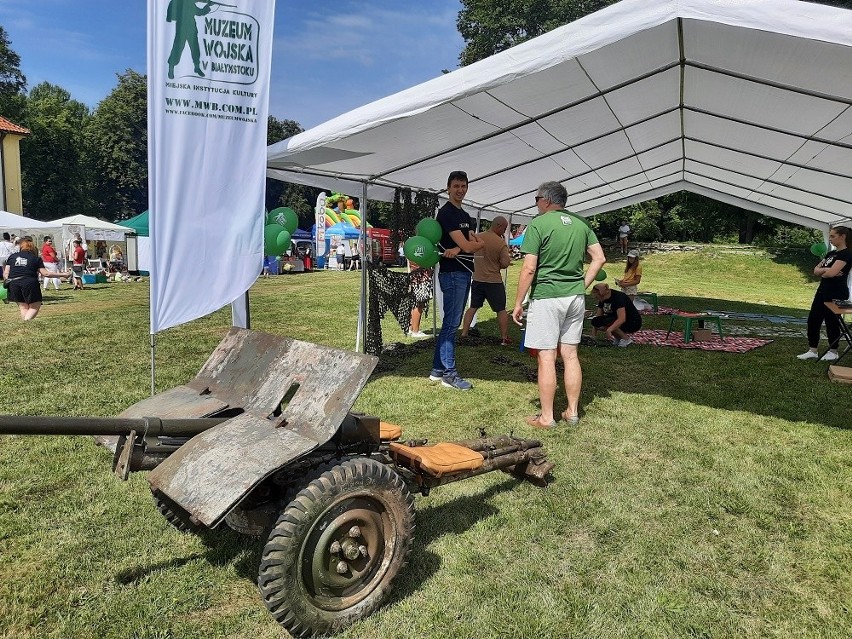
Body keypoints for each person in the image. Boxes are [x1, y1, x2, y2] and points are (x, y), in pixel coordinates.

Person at [512, 181, 605, 428]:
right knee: (571, 355)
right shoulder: (581, 223)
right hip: (575, 297)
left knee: (546, 357)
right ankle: (572, 412)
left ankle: (546, 417)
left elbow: (529, 267)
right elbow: (600, 258)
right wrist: (581, 284)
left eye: (536, 199)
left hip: (548, 296)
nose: (536, 204)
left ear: (546, 200)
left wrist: (518, 302)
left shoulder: (538, 224)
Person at [429, 170, 484, 390]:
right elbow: (473, 244)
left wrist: (462, 246)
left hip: (463, 271)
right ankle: (449, 375)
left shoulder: (465, 216)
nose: (460, 190)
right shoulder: (447, 213)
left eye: (463, 186)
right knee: (452, 325)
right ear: (448, 188)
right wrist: (468, 246)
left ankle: (437, 370)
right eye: (456, 186)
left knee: (450, 324)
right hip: (452, 273)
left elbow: (474, 241)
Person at [797, 225, 851, 361]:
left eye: (833, 236)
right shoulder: (830, 254)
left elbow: (831, 273)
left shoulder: (846, 254)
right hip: (822, 291)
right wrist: (827, 270)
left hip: (837, 293)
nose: (831, 239)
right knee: (813, 320)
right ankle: (812, 350)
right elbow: (816, 270)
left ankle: (833, 351)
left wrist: (826, 271)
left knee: (832, 322)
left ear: (842, 237)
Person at [461, 215, 513, 344]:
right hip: (493, 281)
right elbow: (505, 263)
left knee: (473, 307)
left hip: (477, 279)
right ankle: (504, 338)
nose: (504, 231)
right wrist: (500, 263)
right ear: (499, 226)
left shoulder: (478, 237)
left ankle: (464, 333)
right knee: (501, 310)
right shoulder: (500, 243)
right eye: (504, 228)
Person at [4, 237, 71, 320]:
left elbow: (6, 273)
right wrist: (62, 274)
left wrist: (8, 281)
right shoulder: (35, 258)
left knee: (23, 307)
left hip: (13, 283)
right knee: (35, 305)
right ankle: (27, 322)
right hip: (29, 282)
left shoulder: (12, 257)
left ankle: (25, 324)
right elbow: (46, 273)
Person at [408, 262, 433, 338]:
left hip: (416, 276)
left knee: (415, 304)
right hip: (420, 277)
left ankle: (411, 328)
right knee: (419, 304)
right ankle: (415, 331)